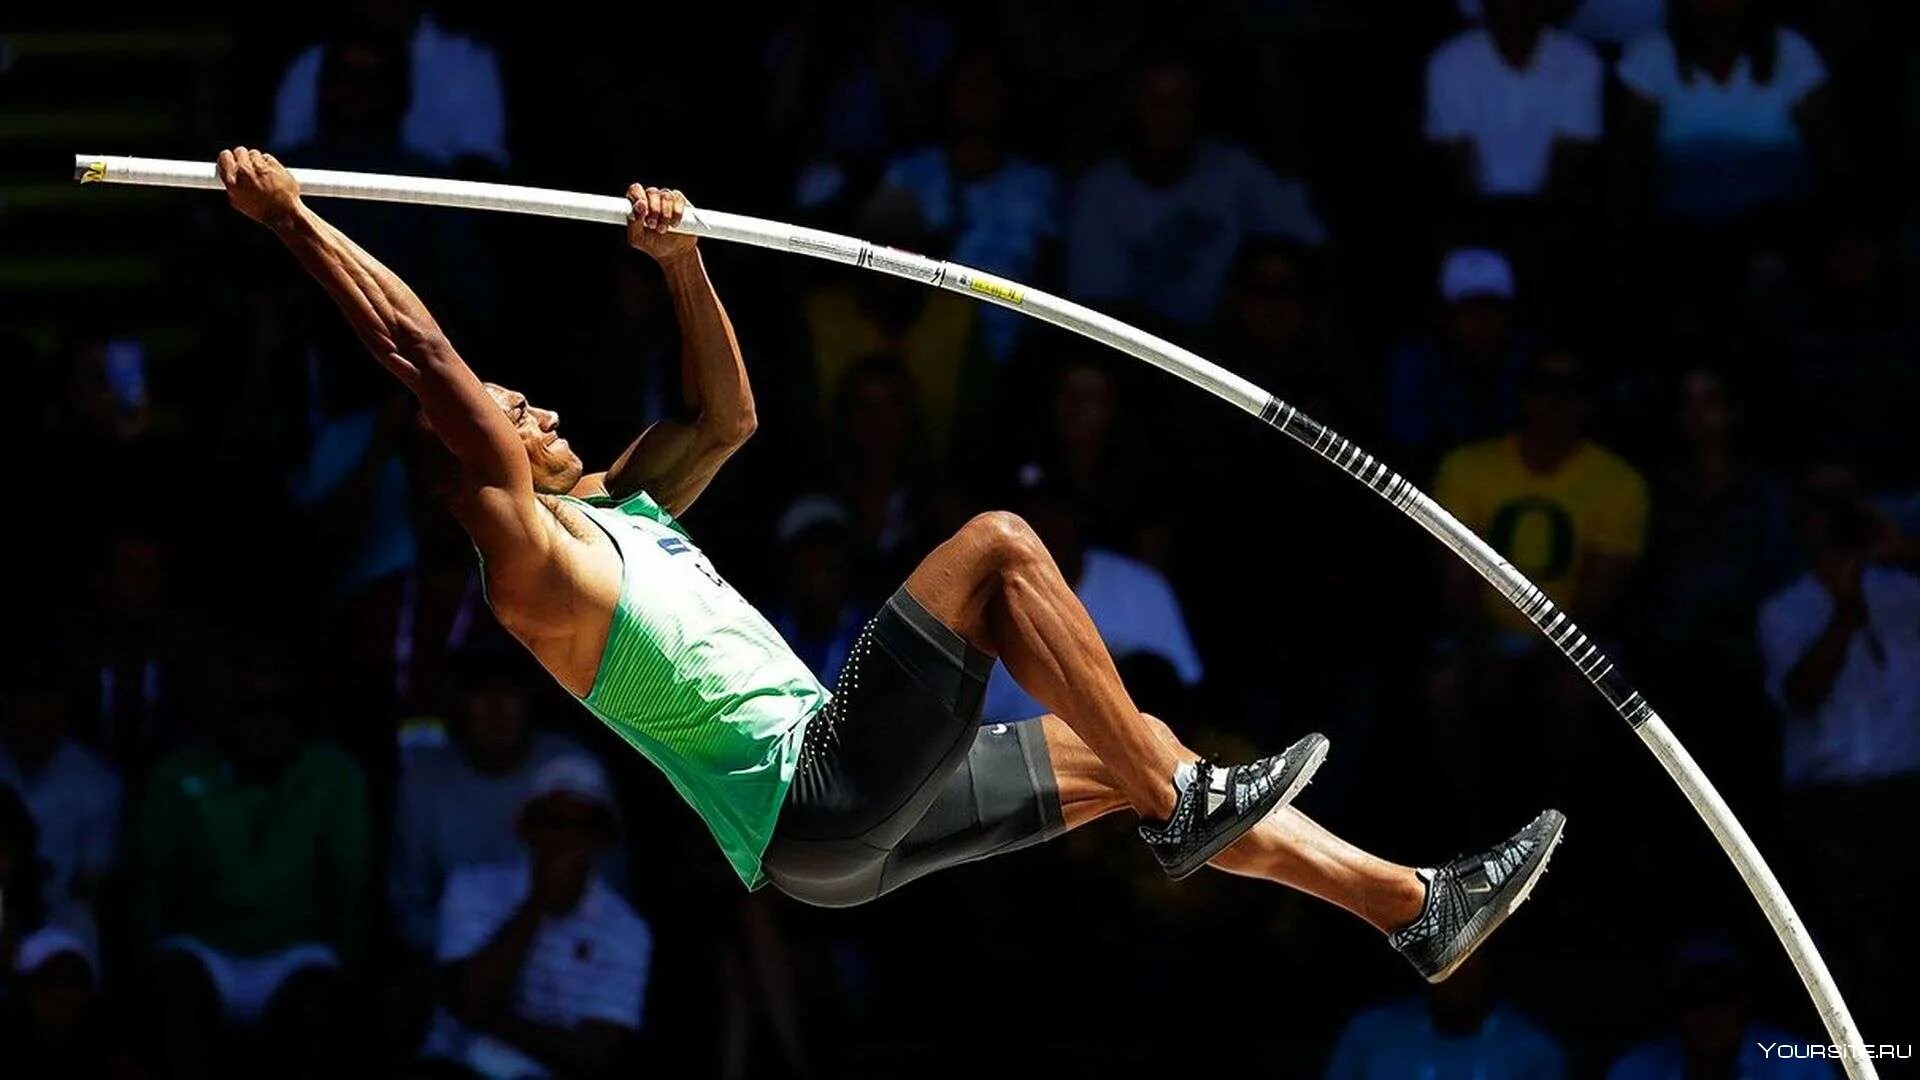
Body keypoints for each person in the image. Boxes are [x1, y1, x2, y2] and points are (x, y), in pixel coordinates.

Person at [216, 146, 1562, 983]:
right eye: (524, 413)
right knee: (997, 548)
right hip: (817, 795)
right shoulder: (528, 562)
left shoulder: (625, 510)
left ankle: (1412, 908)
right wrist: (294, 223)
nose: (550, 413)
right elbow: (423, 359)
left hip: (846, 832)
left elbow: (729, 420)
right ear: (478, 464)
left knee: (1126, 738)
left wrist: (684, 265)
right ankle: (1180, 798)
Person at [134, 646, 369, 1079]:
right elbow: (151, 881)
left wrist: (348, 970)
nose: (262, 721)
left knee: (315, 1013)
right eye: (249, 705)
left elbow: (351, 885)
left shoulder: (334, 775)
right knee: (172, 996)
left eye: (276, 705)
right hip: (202, 949)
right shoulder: (178, 773)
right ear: (225, 710)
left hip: (296, 954)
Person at [423, 755, 650, 1079]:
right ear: (529, 829)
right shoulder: (470, 888)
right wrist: (538, 903)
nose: (567, 839)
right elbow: (471, 993)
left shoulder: (627, 930)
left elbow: (597, 1057)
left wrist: (490, 1019)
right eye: (554, 822)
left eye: (584, 826)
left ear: (602, 840)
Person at [1066, 55, 1326, 327]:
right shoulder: (1100, 190)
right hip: (1139, 350)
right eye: (1157, 104)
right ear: (1132, 109)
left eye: (1182, 103)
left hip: (1230, 344)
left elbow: (1310, 242)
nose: (1170, 118)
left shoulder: (1233, 170)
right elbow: (1096, 306)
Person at [391, 651, 588, 953]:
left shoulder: (573, 770)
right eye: (481, 692)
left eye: (509, 691)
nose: (497, 707)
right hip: (454, 964)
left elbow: (610, 897)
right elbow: (408, 908)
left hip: (567, 965)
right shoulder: (423, 781)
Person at [1426, 0, 1604, 203]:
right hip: (1472, 210)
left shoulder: (1581, 61)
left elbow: (1571, 159)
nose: (1515, 7)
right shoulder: (1449, 61)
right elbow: (1457, 165)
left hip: (1554, 210)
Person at [1607, 937, 1835, 1080]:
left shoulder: (1799, 1067)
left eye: (1722, 998)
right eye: (1695, 1000)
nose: (1710, 1015)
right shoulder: (1635, 1071)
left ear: (1746, 1002)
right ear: (1674, 1007)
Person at [1323, 950, 1568, 1080]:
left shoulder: (1533, 1051)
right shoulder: (1368, 1034)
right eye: (1445, 955)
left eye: (1469, 955)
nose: (1456, 968)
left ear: (1488, 961)